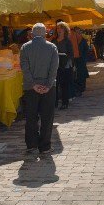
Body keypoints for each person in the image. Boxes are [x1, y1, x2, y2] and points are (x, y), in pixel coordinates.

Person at [20, 23, 59, 155]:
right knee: (47, 117)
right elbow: (54, 69)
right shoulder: (52, 47)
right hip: (48, 87)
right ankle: (45, 146)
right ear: (44, 34)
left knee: (31, 116)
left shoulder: (25, 47)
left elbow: (25, 68)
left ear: (32, 34)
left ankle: (31, 144)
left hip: (30, 88)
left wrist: (33, 84)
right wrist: (48, 85)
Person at [53, 22, 74, 109]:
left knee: (64, 85)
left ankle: (65, 103)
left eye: (61, 28)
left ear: (65, 30)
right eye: (58, 28)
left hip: (65, 66)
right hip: (54, 66)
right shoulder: (53, 41)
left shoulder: (67, 41)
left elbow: (71, 54)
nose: (59, 30)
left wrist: (64, 57)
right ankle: (55, 103)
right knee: (55, 85)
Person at [73, 27, 89, 95]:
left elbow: (86, 49)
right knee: (77, 74)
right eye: (76, 32)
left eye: (79, 32)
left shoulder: (83, 40)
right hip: (75, 59)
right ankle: (78, 88)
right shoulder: (73, 40)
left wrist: (84, 57)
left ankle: (82, 87)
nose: (78, 33)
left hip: (81, 59)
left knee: (82, 73)